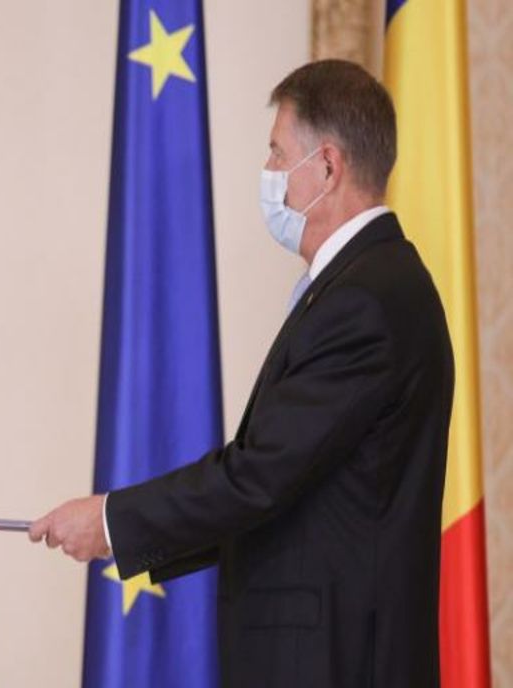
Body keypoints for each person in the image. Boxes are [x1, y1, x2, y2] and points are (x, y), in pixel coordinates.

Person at [29, 59, 454, 687]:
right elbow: (291, 484)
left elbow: (261, 477)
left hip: (334, 663)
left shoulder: (366, 299)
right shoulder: (365, 283)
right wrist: (123, 530)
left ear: (328, 168)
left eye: (278, 153)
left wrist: (113, 521)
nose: (269, 170)